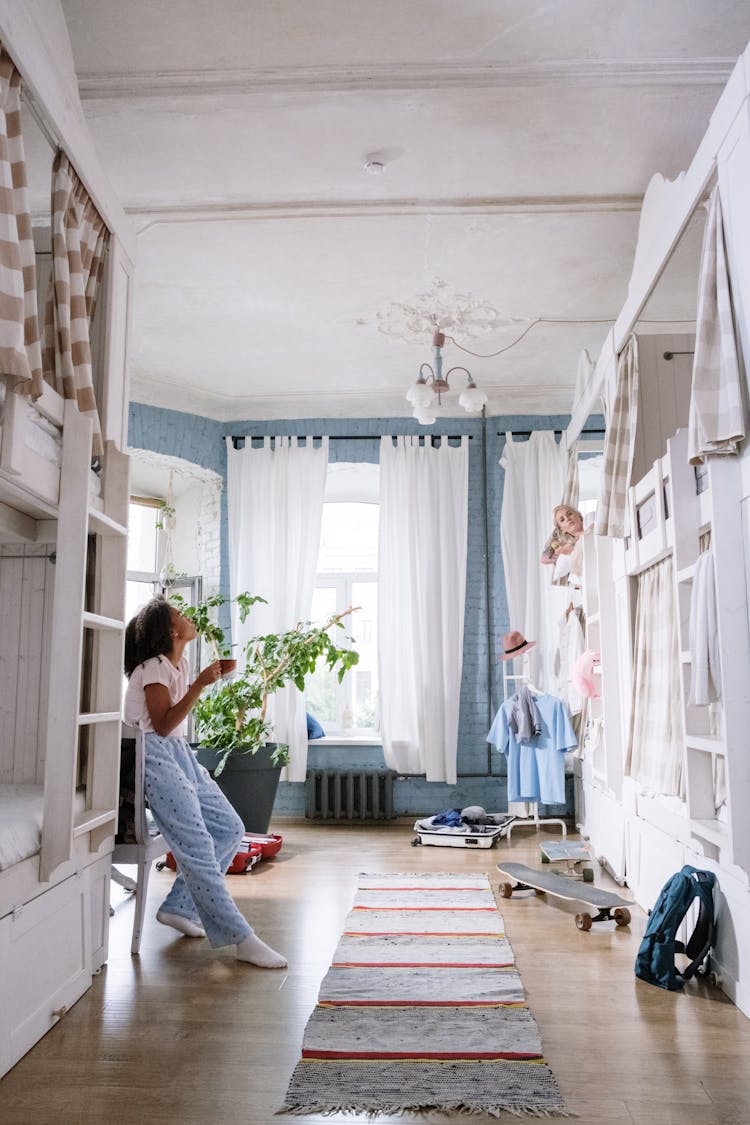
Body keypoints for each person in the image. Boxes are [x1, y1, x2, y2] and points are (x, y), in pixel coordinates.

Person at [123, 595, 286, 968]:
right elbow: (162, 724)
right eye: (180, 615)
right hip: (154, 757)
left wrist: (204, 679)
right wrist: (200, 683)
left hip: (176, 752)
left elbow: (170, 727)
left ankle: (179, 908)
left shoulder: (170, 667)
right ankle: (239, 937)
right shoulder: (152, 668)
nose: (188, 617)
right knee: (196, 843)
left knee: (229, 828)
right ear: (170, 630)